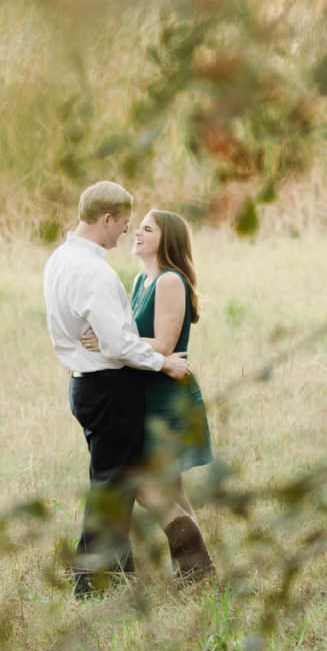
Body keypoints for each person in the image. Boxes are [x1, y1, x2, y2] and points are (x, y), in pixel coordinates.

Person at [43, 181, 189, 599]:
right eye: (123, 224)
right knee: (109, 487)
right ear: (106, 219)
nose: (125, 232)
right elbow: (118, 344)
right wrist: (164, 361)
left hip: (86, 385)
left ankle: (119, 572)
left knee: (116, 483)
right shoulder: (94, 271)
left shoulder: (60, 259)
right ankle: (89, 583)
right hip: (108, 388)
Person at [82, 208, 215, 583]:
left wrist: (111, 341)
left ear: (166, 239)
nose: (136, 233)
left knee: (144, 483)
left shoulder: (170, 281)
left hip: (168, 398)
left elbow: (164, 344)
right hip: (146, 394)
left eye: (147, 229)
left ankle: (197, 566)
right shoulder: (143, 280)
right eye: (137, 227)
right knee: (169, 486)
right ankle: (200, 572)